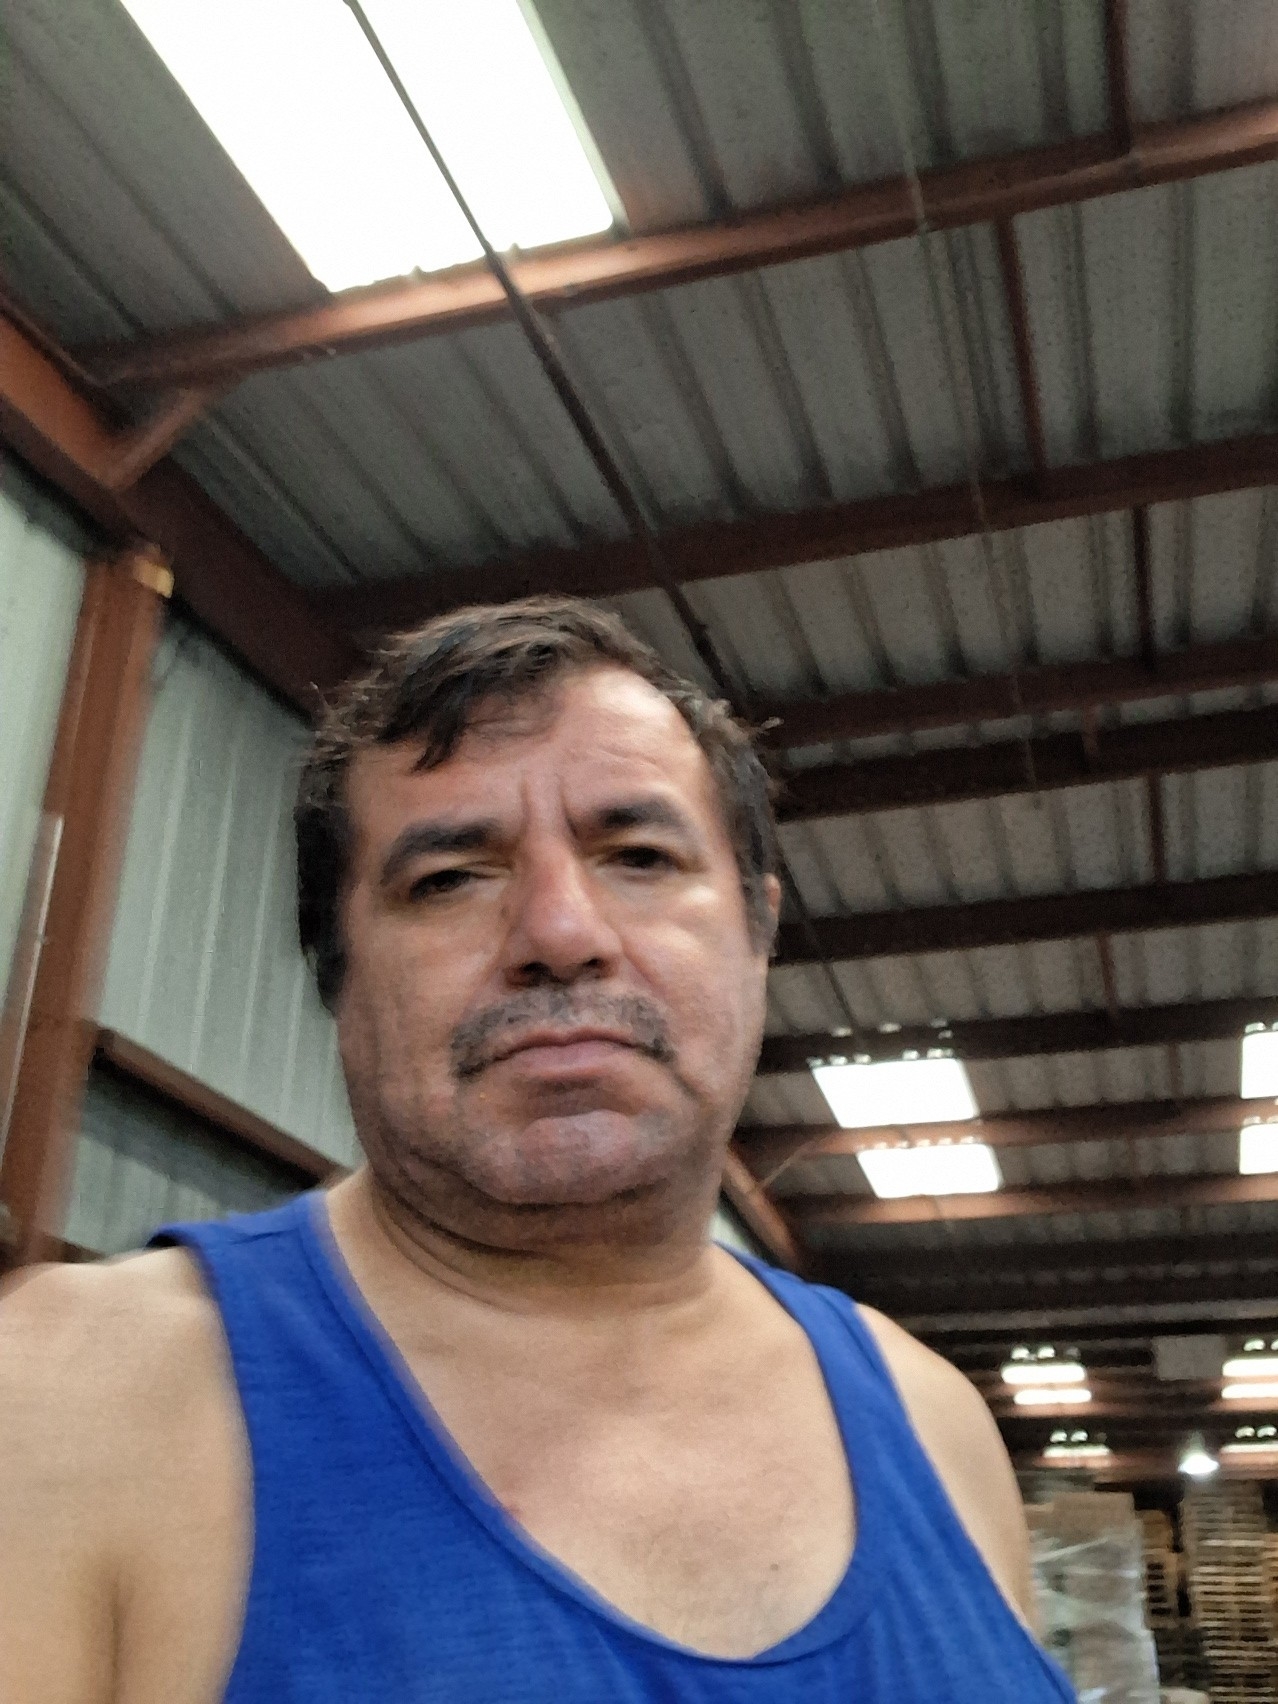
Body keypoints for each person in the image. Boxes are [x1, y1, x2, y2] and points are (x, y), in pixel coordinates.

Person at [0, 598, 1073, 1702]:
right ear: (336, 972)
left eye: (640, 856)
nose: (561, 934)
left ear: (758, 932)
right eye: (449, 878)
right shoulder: (68, 1400)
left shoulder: (934, 1422)